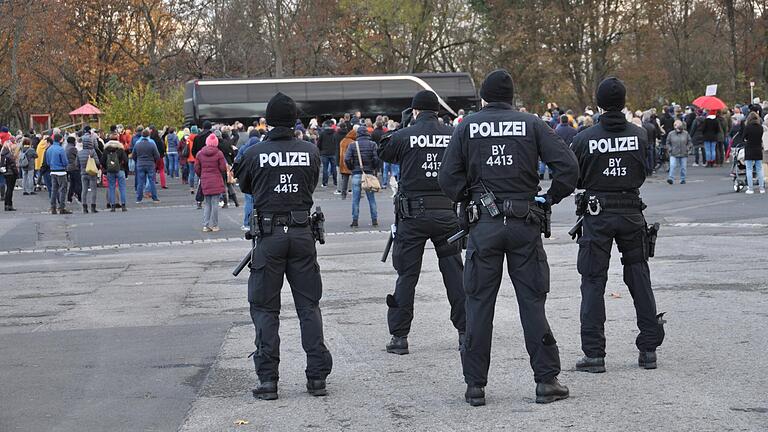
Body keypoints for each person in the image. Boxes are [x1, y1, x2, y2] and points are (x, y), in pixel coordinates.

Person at [439, 69, 578, 406]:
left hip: (484, 225)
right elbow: (569, 168)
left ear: (484, 98)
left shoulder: (468, 127)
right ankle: (546, 381)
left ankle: (475, 385)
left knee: (478, 304)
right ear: (511, 97)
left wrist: (469, 196)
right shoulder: (531, 123)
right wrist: (547, 197)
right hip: (524, 223)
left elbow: (447, 178)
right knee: (532, 302)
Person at [235, 92, 332, 400]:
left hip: (269, 236)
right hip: (303, 235)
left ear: (268, 120)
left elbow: (246, 186)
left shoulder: (254, 153)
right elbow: (312, 182)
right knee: (308, 307)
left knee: (265, 308)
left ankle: (267, 380)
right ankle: (317, 378)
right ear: (294, 121)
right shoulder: (309, 150)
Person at [570, 77, 666, 375]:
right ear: (624, 103)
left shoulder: (585, 138)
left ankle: (594, 354)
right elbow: (647, 168)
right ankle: (648, 348)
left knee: (593, 281)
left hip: (598, 212)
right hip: (631, 210)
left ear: (598, 104)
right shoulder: (639, 134)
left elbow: (575, 177)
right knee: (638, 276)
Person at [377, 90, 465, 355]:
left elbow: (384, 149)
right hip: (446, 214)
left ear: (415, 111)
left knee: (407, 276)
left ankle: (399, 337)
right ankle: (466, 331)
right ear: (437, 111)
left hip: (412, 217)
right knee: (455, 275)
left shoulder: (405, 135)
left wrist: (406, 125)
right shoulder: (452, 134)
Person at [344, 125, 380, 227]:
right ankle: (374, 220)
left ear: (358, 134)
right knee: (371, 199)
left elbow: (347, 159)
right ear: (367, 133)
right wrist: (373, 167)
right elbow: (377, 159)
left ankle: (355, 220)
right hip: (368, 174)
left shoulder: (352, 145)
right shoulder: (372, 144)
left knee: (355, 199)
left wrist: (351, 168)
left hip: (356, 174)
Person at [195, 133, 227, 231]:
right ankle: (215, 225)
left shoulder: (200, 153)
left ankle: (205, 225)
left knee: (207, 203)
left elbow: (196, 168)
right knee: (215, 203)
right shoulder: (219, 153)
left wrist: (201, 175)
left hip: (205, 179)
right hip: (216, 179)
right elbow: (223, 167)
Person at [45, 134, 72, 214]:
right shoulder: (61, 149)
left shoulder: (49, 149)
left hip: (52, 171)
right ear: (60, 140)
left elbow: (48, 161)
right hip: (61, 171)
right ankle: (62, 207)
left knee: (54, 190)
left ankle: (53, 207)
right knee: (63, 190)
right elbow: (65, 162)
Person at [101, 135, 129, 211]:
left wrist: (107, 168)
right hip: (120, 170)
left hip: (110, 171)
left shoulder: (106, 150)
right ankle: (123, 205)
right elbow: (126, 160)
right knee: (122, 188)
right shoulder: (120, 149)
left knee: (111, 188)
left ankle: (112, 205)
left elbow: (102, 161)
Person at [133, 129, 161, 203]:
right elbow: (157, 155)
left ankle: (139, 199)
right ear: (148, 135)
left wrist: (137, 160)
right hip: (150, 164)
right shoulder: (152, 143)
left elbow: (133, 155)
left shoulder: (137, 143)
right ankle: (155, 198)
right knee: (152, 181)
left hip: (140, 163)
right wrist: (154, 160)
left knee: (140, 182)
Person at [78, 127, 102, 213]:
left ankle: (84, 207)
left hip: (83, 173)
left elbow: (77, 164)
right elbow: (98, 162)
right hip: (92, 173)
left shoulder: (79, 153)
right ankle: (93, 207)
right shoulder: (92, 152)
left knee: (84, 190)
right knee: (93, 190)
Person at [742, 112, 766, 194]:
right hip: (758, 149)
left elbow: (743, 138)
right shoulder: (760, 127)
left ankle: (750, 188)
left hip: (749, 149)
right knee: (759, 169)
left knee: (749, 169)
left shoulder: (747, 127)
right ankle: (761, 188)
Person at [666, 120, 692, 184]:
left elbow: (689, 142)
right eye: (675, 125)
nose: (676, 127)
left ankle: (683, 179)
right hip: (673, 153)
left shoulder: (686, 133)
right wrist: (670, 148)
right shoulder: (671, 134)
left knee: (683, 167)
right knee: (672, 166)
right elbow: (668, 142)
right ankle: (670, 178)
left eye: (677, 126)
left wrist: (687, 148)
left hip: (683, 153)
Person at [317, 121, 338, 189]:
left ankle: (324, 183)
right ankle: (335, 182)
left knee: (325, 168)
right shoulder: (335, 133)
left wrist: (320, 150)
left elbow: (319, 143)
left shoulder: (322, 133)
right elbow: (336, 143)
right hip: (333, 153)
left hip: (324, 153)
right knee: (334, 168)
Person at [337, 123, 356, 200]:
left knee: (345, 179)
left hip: (342, 162)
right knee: (355, 179)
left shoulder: (343, 141)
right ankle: (355, 193)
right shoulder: (352, 142)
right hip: (351, 162)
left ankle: (343, 194)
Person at [1, 139, 19, 211]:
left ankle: (6, 205)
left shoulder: (3, 154)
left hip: (6, 173)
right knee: (10, 190)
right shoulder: (9, 155)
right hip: (11, 173)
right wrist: (16, 173)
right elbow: (13, 165)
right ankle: (9, 205)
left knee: (8, 189)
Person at [65, 136, 82, 204]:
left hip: (68, 167)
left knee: (72, 183)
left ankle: (69, 197)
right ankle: (79, 196)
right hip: (74, 167)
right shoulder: (73, 148)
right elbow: (78, 156)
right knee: (78, 183)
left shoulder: (66, 147)